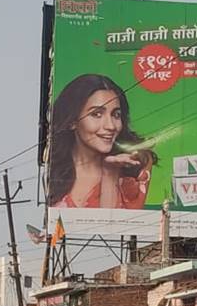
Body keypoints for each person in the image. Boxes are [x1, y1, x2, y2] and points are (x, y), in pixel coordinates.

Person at [48, 74, 155, 210]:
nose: (110, 126)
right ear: (72, 121)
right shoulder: (53, 167)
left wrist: (109, 173)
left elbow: (114, 227)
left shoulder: (136, 165)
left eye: (116, 115)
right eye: (97, 114)